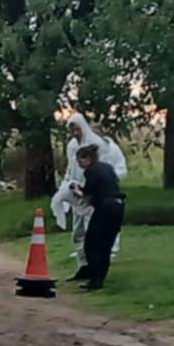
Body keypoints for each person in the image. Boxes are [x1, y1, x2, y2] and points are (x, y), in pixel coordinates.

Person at [57, 112, 127, 280]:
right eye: (71, 130)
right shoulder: (72, 146)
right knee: (78, 233)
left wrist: (89, 190)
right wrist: (67, 186)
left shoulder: (100, 148)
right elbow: (70, 168)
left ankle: (96, 270)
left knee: (94, 236)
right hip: (82, 195)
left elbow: (112, 172)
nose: (75, 133)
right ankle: (84, 266)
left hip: (97, 199)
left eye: (77, 129)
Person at [75, 143, 125, 291]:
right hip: (119, 206)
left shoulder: (90, 171)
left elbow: (87, 195)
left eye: (80, 160)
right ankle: (99, 278)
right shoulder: (107, 167)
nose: (79, 164)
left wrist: (77, 191)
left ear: (88, 158)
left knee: (91, 243)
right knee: (106, 245)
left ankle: (94, 277)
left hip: (105, 208)